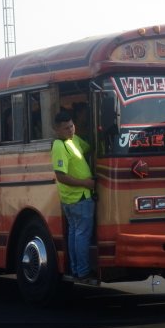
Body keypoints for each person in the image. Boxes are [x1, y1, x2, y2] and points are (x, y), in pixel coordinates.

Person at [51, 110, 96, 282]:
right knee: (81, 235)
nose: (70, 130)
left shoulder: (74, 140)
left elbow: (89, 147)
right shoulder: (59, 146)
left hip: (77, 198)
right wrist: (86, 183)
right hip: (77, 197)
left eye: (72, 126)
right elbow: (61, 176)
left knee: (74, 234)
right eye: (66, 128)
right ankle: (83, 272)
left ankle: (76, 269)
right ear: (57, 130)